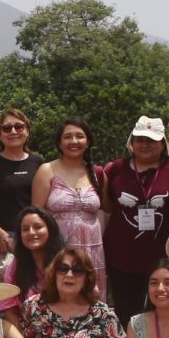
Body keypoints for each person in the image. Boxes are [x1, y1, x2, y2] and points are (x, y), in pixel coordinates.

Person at [101, 116, 169, 320]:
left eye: (152, 140)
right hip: (121, 258)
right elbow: (106, 206)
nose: (145, 145)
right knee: (126, 314)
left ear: (162, 144)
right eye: (140, 140)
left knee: (161, 312)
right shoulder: (116, 169)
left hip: (162, 257)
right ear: (132, 143)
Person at [32, 116, 106, 277]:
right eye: (67, 137)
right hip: (58, 249)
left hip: (92, 250)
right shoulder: (47, 170)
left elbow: (107, 210)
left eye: (79, 136)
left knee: (90, 290)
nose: (74, 141)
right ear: (59, 143)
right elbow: (35, 216)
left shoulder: (97, 173)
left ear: (88, 142)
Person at [0, 107, 42, 258]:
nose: (13, 131)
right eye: (7, 128)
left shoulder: (38, 162)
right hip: (3, 239)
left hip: (33, 235)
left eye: (19, 127)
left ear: (27, 131)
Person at [0, 205, 60, 314]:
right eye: (25, 229)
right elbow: (9, 308)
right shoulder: (15, 267)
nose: (31, 232)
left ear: (50, 229)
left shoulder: (66, 262)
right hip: (25, 324)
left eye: (38, 227)